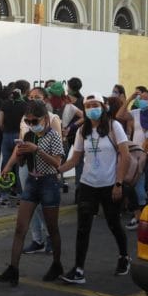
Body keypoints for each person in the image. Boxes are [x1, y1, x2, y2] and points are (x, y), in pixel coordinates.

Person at [59, 93, 131, 284]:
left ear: (103, 106)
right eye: (88, 106)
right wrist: (57, 170)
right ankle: (79, 269)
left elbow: (125, 156)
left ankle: (124, 256)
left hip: (109, 185)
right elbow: (75, 159)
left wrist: (118, 183)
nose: (92, 109)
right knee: (83, 228)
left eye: (95, 105)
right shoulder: (82, 131)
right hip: (87, 184)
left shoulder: (114, 126)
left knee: (114, 223)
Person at [0, 100, 65, 285]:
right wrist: (16, 160)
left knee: (52, 228)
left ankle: (57, 264)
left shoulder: (53, 136)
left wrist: (37, 150)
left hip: (49, 182)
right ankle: (13, 269)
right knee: (20, 228)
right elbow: (22, 160)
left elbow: (57, 163)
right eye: (28, 121)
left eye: (35, 121)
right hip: (32, 182)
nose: (31, 124)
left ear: (45, 119)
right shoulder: (28, 135)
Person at [19, 88, 62, 254]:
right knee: (31, 209)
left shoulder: (53, 120)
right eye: (30, 97)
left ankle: (50, 238)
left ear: (45, 99)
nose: (32, 99)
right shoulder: (26, 120)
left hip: (47, 174)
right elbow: (22, 140)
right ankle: (37, 239)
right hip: (29, 170)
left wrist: (37, 150)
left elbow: (57, 154)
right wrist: (16, 157)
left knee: (44, 209)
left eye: (37, 97)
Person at [117, 89, 148, 230]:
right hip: (137, 157)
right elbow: (119, 115)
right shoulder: (136, 113)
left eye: (145, 98)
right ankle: (138, 215)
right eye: (140, 98)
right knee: (132, 186)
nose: (141, 100)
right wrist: (130, 98)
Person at [0, 84, 27, 204]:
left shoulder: (4, 104)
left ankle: (4, 196)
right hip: (19, 136)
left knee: (6, 164)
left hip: (6, 136)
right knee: (19, 165)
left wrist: (6, 131)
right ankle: (20, 196)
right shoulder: (25, 105)